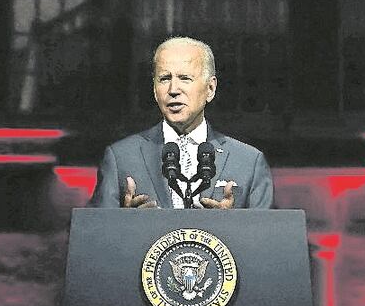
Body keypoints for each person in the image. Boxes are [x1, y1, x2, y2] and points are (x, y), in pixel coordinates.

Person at [87, 36, 274, 210]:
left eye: (185, 78)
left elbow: (271, 237)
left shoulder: (249, 162)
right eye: (164, 79)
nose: (173, 89)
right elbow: (89, 233)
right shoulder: (120, 158)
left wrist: (231, 226)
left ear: (210, 89)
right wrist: (123, 223)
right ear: (154, 90)